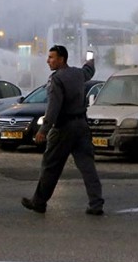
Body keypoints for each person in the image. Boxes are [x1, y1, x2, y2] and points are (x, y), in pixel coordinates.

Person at [21, 45, 104, 216]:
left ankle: (39, 202)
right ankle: (96, 204)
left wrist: (43, 129)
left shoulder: (56, 79)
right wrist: (90, 57)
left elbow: (53, 107)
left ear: (61, 59)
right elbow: (89, 70)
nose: (48, 61)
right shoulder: (78, 74)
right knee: (88, 167)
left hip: (63, 128)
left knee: (50, 166)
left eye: (51, 57)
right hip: (81, 126)